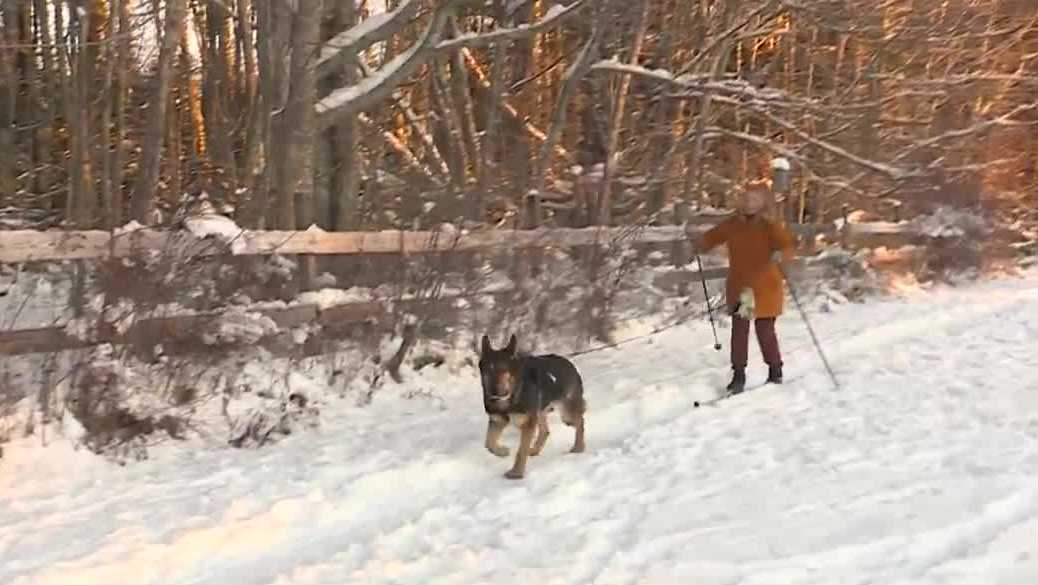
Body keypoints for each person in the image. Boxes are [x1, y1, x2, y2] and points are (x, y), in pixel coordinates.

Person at [695, 180, 795, 394]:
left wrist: (781, 253)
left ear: (763, 202)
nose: (749, 202)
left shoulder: (770, 225)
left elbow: (787, 245)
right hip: (745, 290)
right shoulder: (733, 224)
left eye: (754, 198)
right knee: (740, 330)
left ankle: (775, 369)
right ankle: (738, 375)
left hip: (766, 286)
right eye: (746, 197)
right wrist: (699, 242)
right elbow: (711, 237)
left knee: (765, 330)